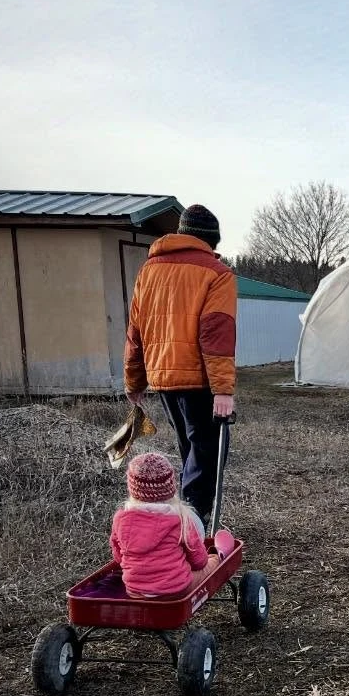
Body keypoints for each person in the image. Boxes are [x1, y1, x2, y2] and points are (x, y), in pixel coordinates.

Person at [124, 204, 237, 524]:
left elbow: (135, 331)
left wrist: (134, 381)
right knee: (206, 457)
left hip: (163, 378)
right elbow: (216, 332)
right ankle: (191, 529)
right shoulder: (217, 273)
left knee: (191, 451)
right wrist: (223, 390)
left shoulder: (149, 270)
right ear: (211, 241)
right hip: (198, 380)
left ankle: (182, 520)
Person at [111, 453, 214, 598]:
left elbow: (118, 557)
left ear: (132, 488)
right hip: (176, 590)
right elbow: (199, 561)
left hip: (135, 592)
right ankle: (218, 558)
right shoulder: (180, 518)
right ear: (170, 486)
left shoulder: (120, 519)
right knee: (214, 562)